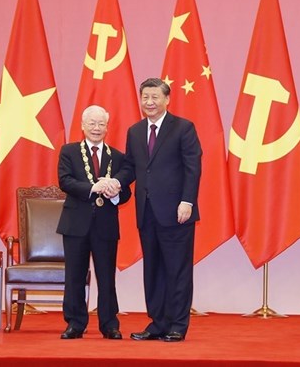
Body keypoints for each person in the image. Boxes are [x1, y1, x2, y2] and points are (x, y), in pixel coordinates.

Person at [109, 78, 202, 342]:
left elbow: (193, 168)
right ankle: (158, 322)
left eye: (155, 97)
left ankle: (177, 325)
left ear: (167, 99)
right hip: (146, 212)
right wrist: (116, 181)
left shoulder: (183, 128)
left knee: (177, 269)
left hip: (177, 211)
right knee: (153, 269)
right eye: (145, 97)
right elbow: (130, 167)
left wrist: (188, 201)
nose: (149, 102)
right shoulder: (135, 131)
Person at [57, 105, 131, 340]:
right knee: (75, 275)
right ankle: (75, 323)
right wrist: (93, 188)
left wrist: (115, 193)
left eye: (101, 124)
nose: (97, 128)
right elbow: (65, 181)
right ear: (83, 125)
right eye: (92, 123)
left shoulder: (117, 156)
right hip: (75, 223)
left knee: (107, 277)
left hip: (106, 225)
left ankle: (109, 324)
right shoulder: (68, 151)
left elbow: (127, 192)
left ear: (107, 128)